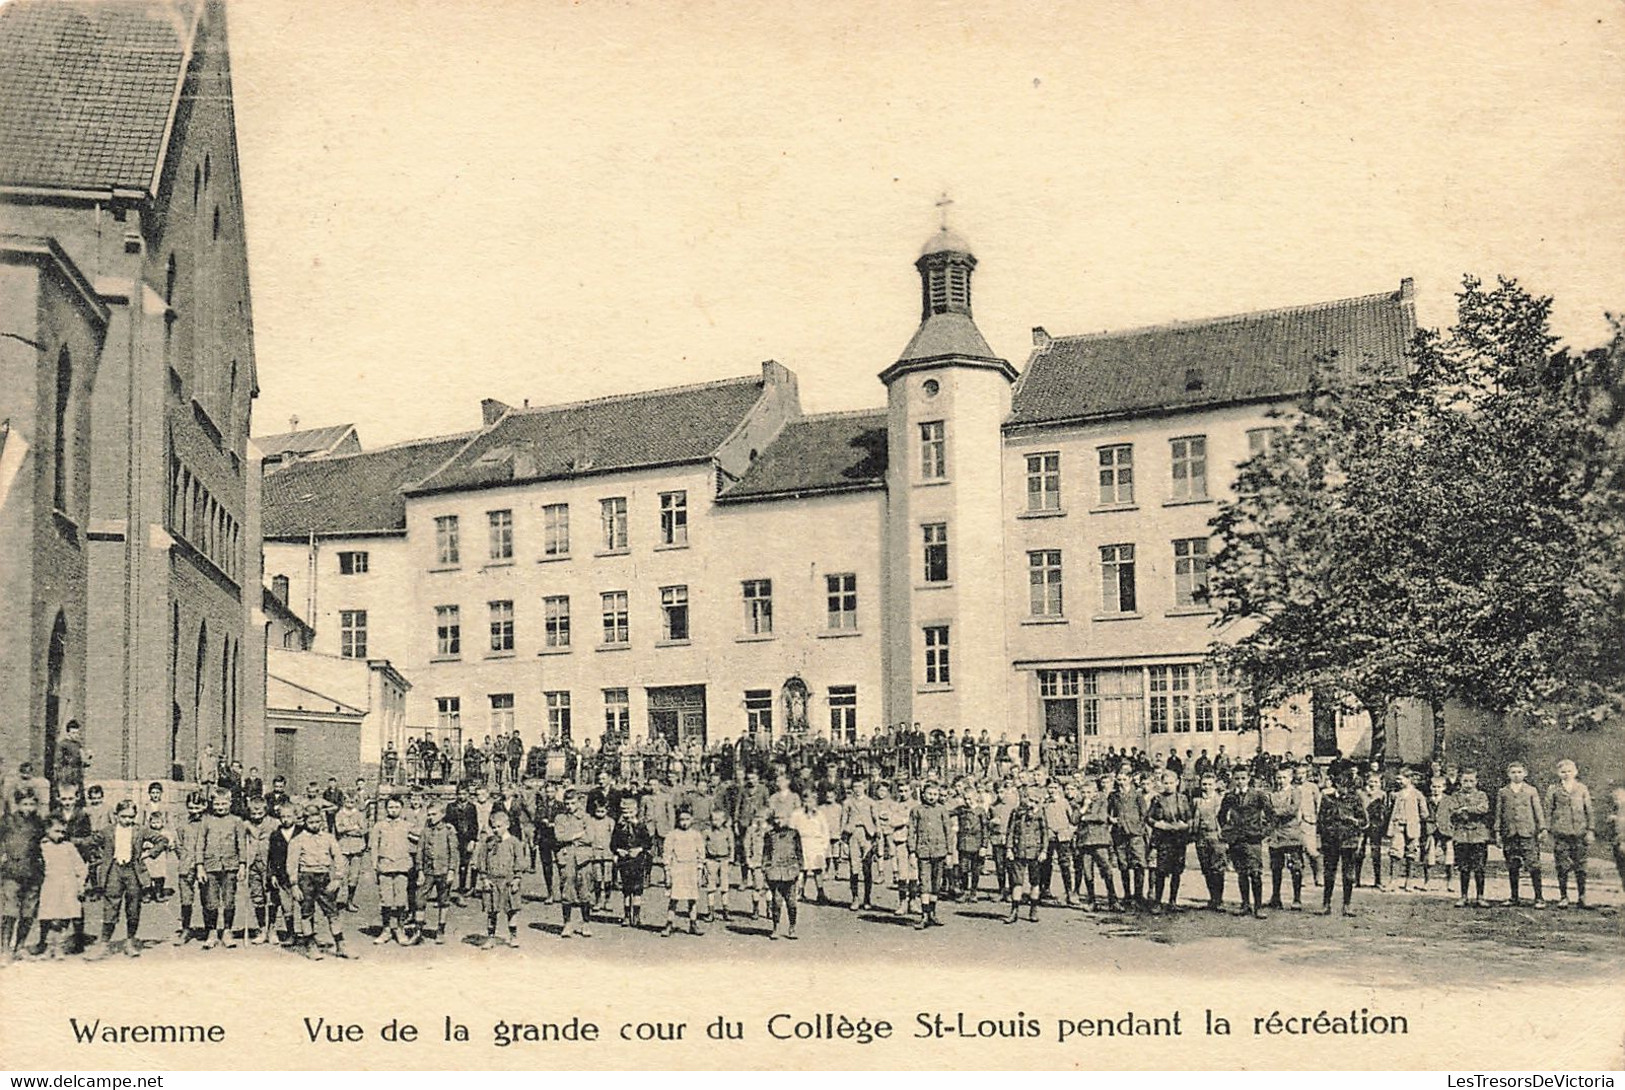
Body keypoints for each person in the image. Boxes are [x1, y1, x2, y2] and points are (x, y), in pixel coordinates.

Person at [289, 804, 349, 960]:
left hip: (324, 878)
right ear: (305, 822)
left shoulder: (329, 838)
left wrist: (337, 878)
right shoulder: (298, 840)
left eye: (317, 822)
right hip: (306, 879)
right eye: (311, 822)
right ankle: (310, 945)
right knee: (307, 913)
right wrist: (294, 885)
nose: (315, 825)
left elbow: (338, 857)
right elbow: (292, 863)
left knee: (333, 913)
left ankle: (340, 945)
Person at [192, 789, 247, 950]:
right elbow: (200, 844)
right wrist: (200, 866)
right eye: (217, 804)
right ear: (212, 804)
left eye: (224, 803)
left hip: (231, 866)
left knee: (229, 900)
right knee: (210, 901)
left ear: (230, 803)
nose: (220, 807)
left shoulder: (237, 821)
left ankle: (227, 931)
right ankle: (212, 932)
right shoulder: (206, 821)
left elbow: (241, 845)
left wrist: (242, 865)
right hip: (210, 866)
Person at [1219, 767, 1270, 919]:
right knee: (1241, 873)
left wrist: (1263, 833)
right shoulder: (1229, 797)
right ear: (1233, 779)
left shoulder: (1258, 795)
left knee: (1255, 872)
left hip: (1253, 839)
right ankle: (1245, 904)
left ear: (1248, 778)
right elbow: (1221, 815)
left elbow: (1271, 815)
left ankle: (1258, 907)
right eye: (1237, 779)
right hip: (1236, 839)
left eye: (1243, 778)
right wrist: (1228, 831)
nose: (1240, 782)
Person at [1316, 763, 1367, 916]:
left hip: (1348, 842)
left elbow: (1364, 821)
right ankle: (1326, 904)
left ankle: (1347, 905)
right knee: (1329, 874)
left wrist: (1354, 821)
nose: (1344, 789)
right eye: (1341, 785)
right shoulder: (1327, 799)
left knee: (1348, 875)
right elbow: (1321, 821)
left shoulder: (1355, 800)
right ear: (1336, 784)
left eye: (1348, 786)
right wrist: (1322, 839)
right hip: (1331, 842)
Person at [36, 814, 87, 959]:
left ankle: (59, 947)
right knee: (50, 918)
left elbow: (80, 867)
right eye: (57, 831)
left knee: (63, 918)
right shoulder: (42, 846)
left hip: (67, 888)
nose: (60, 835)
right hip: (50, 887)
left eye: (63, 832)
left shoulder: (69, 847)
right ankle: (48, 947)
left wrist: (80, 884)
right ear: (47, 830)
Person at [1545, 759, 1594, 908]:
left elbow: (1589, 811)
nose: (1566, 774)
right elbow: (1548, 810)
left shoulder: (1582, 788)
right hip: (1561, 833)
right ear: (1558, 773)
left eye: (1569, 771)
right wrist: (1546, 829)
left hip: (1579, 833)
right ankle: (1563, 897)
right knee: (1562, 866)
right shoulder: (1553, 789)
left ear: (1575, 772)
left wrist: (1590, 830)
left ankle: (1582, 896)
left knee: (1581, 866)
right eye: (1563, 772)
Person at [1496, 761, 1547, 908]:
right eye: (1513, 772)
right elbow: (1498, 814)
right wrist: (1498, 832)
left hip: (1527, 833)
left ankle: (1539, 898)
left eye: (1519, 772)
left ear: (1525, 773)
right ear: (1508, 775)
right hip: (1510, 834)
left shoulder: (1531, 790)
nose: (1516, 775)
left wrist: (1542, 828)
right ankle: (1514, 897)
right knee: (1512, 865)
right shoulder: (1503, 792)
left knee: (1533, 865)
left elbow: (1538, 810)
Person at [473, 807, 525, 948]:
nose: (496, 830)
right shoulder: (488, 843)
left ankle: (513, 936)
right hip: (492, 880)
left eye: (499, 827)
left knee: (511, 909)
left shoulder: (514, 842)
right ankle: (491, 937)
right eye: (493, 827)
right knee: (491, 910)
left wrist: (517, 878)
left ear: (507, 825)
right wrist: (484, 878)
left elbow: (519, 861)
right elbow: (481, 860)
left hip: (509, 880)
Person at [371, 795, 419, 944]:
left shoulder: (407, 825)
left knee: (400, 901)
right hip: (384, 866)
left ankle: (400, 929)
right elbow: (373, 846)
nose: (393, 810)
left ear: (401, 808)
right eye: (390, 807)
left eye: (396, 807)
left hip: (402, 867)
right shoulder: (379, 826)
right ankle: (386, 929)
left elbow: (420, 839)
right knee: (385, 900)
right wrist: (375, 866)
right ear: (386, 809)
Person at [1147, 770, 1193, 913]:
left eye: (1171, 783)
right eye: (1165, 783)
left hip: (1179, 840)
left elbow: (1189, 817)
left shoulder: (1183, 799)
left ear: (1177, 782)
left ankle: (1173, 901)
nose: (1168, 786)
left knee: (1176, 871)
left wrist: (1185, 825)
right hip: (1163, 840)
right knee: (1161, 871)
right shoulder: (1157, 799)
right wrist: (1158, 824)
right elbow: (1149, 818)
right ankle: (1158, 902)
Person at [908, 782, 952, 929]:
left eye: (935, 794)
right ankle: (924, 915)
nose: (932, 797)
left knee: (936, 884)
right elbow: (912, 832)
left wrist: (949, 852)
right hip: (923, 852)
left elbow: (948, 832)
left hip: (940, 852)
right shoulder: (916, 810)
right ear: (923, 794)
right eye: (929, 794)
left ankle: (932, 913)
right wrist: (912, 852)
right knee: (924, 883)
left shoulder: (942, 810)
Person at [416, 802, 460, 944]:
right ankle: (418, 932)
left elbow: (454, 852)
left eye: (434, 814)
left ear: (442, 815)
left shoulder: (448, 830)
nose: (430, 817)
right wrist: (420, 870)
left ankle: (440, 930)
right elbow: (420, 851)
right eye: (428, 814)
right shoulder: (425, 831)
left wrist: (452, 870)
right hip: (428, 871)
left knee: (443, 900)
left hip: (443, 870)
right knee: (420, 900)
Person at [1004, 785, 1049, 924]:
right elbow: (1010, 831)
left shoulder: (1040, 813)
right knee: (1017, 882)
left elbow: (1045, 833)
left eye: (1032, 800)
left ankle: (1033, 909)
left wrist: (1044, 850)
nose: (1028, 802)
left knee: (1035, 882)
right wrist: (1009, 848)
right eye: (1026, 798)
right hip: (1019, 851)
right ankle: (1014, 911)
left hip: (1035, 852)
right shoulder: (1016, 812)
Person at [1448, 769, 1492, 907]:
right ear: (1460, 782)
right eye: (1465, 781)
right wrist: (1461, 811)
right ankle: (1464, 896)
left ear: (1476, 782)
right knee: (1464, 868)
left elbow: (1483, 809)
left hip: (1478, 835)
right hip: (1461, 835)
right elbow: (1453, 811)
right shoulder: (1455, 796)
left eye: (1471, 781)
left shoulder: (1481, 795)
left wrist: (1465, 808)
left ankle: (1480, 896)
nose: (1468, 784)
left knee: (1479, 867)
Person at [1265, 767, 1306, 910]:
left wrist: (1276, 812)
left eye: (1283, 778)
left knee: (1296, 867)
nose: (1280, 781)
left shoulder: (1295, 792)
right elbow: (1267, 811)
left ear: (1290, 778)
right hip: (1276, 834)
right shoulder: (1271, 794)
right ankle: (1276, 897)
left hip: (1292, 833)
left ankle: (1297, 898)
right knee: (1276, 867)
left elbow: (1293, 809)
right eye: (1278, 778)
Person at [1108, 768, 1149, 908]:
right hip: (1120, 835)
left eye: (1124, 779)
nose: (1121, 782)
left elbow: (1144, 815)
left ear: (1130, 779)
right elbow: (1108, 813)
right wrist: (1112, 820)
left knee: (1139, 864)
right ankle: (1127, 894)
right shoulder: (1114, 796)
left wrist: (1138, 828)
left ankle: (1139, 896)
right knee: (1123, 865)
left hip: (1135, 835)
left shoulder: (1137, 795)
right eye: (1119, 780)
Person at [661, 807, 705, 936]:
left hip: (691, 869)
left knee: (692, 898)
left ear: (691, 819)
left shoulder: (696, 835)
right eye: (681, 820)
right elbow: (667, 854)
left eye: (687, 819)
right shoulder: (672, 835)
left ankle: (693, 923)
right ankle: (669, 924)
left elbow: (701, 854)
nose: (684, 822)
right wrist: (667, 872)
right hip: (677, 869)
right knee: (674, 898)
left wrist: (699, 872)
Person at [611, 797, 653, 929]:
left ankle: (636, 915)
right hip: (625, 860)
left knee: (637, 890)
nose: (627, 815)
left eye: (630, 812)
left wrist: (639, 849)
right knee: (626, 889)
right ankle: (626, 915)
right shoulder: (619, 827)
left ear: (636, 811)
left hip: (638, 860)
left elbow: (648, 843)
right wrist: (619, 850)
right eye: (624, 812)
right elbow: (612, 844)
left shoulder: (640, 826)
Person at [762, 809, 803, 940]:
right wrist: (766, 870)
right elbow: (766, 854)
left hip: (790, 872)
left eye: (782, 818)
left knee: (791, 902)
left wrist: (800, 870)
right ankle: (776, 928)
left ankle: (792, 927)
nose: (779, 821)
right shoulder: (770, 835)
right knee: (776, 902)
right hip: (775, 873)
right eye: (776, 818)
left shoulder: (794, 834)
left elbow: (799, 853)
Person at [240, 795, 275, 943]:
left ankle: (272, 929)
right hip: (253, 864)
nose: (256, 817)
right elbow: (241, 843)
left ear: (265, 811)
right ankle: (262, 929)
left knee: (272, 898)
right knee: (258, 897)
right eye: (253, 814)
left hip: (269, 865)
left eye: (260, 814)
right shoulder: (245, 824)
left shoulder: (274, 823)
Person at [1386, 770, 1428, 892]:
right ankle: (1393, 881)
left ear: (1409, 779)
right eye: (1397, 779)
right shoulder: (1396, 795)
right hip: (1398, 826)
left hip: (1412, 827)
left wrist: (1414, 819)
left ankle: (1409, 881)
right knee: (1395, 853)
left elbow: (1424, 813)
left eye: (1401, 779)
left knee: (1411, 853)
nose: (1398, 782)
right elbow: (1390, 810)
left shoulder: (1418, 794)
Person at [840, 784, 879, 911]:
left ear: (865, 788)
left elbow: (876, 820)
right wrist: (843, 840)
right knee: (853, 868)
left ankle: (867, 899)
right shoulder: (847, 803)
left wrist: (877, 835)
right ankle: (855, 898)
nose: (858, 789)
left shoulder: (870, 802)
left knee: (867, 867)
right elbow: (843, 821)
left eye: (860, 786)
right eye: (855, 787)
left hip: (867, 835)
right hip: (853, 834)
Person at [789, 794, 831, 904]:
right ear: (803, 802)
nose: (809, 804)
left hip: (816, 844)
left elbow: (825, 830)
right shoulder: (796, 814)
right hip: (802, 843)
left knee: (818, 869)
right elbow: (791, 831)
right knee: (802, 869)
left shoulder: (820, 815)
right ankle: (799, 892)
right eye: (807, 801)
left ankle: (820, 893)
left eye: (812, 801)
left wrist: (824, 846)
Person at [703, 808, 735, 922]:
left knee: (724, 886)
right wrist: (704, 861)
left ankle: (726, 911)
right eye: (713, 819)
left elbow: (732, 846)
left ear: (723, 820)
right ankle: (710, 912)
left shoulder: (728, 831)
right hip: (711, 860)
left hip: (724, 860)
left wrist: (731, 859)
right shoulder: (707, 832)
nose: (715, 822)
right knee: (710, 887)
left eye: (718, 819)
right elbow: (702, 847)